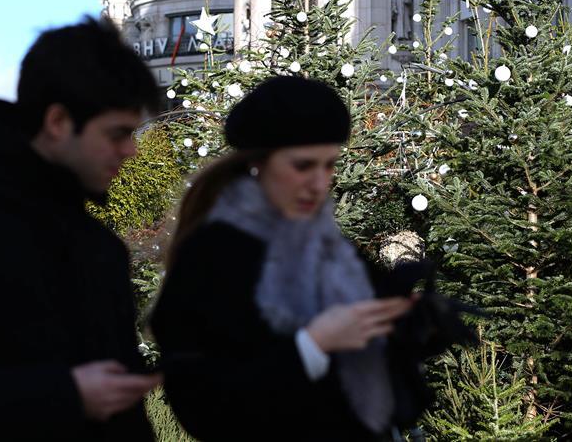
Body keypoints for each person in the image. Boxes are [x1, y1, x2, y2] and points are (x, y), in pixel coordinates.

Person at [150, 77, 472, 440]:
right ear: (257, 163)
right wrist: (313, 345)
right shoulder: (211, 255)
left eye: (329, 165)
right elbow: (201, 404)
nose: (320, 183)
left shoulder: (329, 248)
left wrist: (413, 323)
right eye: (303, 166)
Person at [0, 17, 161, 440]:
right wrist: (65, 395)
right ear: (58, 121)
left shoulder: (98, 246)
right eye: (117, 133)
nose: (131, 150)